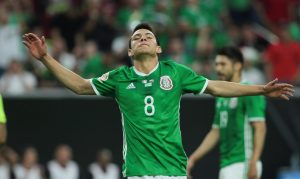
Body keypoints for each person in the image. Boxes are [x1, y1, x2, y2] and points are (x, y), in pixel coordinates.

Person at [22, 23, 294, 179]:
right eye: (136, 37)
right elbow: (80, 86)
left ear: (158, 48)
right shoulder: (119, 78)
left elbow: (215, 87)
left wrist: (260, 89)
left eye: (148, 36)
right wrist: (45, 58)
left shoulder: (175, 73)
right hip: (138, 173)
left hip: (173, 171)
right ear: (129, 50)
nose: (142, 39)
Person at [187, 47, 267, 179]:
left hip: (243, 162)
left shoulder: (250, 91)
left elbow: (260, 127)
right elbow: (216, 131)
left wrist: (253, 162)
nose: (218, 69)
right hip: (226, 163)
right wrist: (193, 159)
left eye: (223, 64)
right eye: (216, 64)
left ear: (237, 66)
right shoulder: (221, 96)